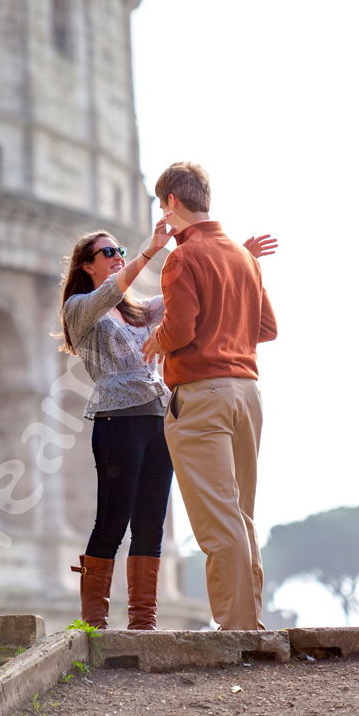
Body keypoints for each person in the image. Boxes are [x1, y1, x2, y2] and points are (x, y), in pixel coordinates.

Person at [59, 215, 276, 630]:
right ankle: (93, 621)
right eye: (108, 252)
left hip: (160, 419)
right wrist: (151, 249)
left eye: (119, 250)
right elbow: (112, 293)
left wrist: (236, 258)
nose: (117, 257)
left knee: (150, 524)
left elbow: (187, 297)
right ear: (86, 265)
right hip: (117, 423)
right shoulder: (80, 309)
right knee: (111, 522)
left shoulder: (137, 312)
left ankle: (143, 622)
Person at [142, 162, 278, 631]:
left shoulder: (183, 258)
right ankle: (249, 621)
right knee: (240, 514)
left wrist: (157, 340)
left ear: (171, 204)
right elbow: (267, 329)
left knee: (218, 521)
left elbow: (179, 330)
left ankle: (238, 631)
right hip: (248, 394)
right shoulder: (242, 256)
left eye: (162, 204)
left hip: (202, 396)